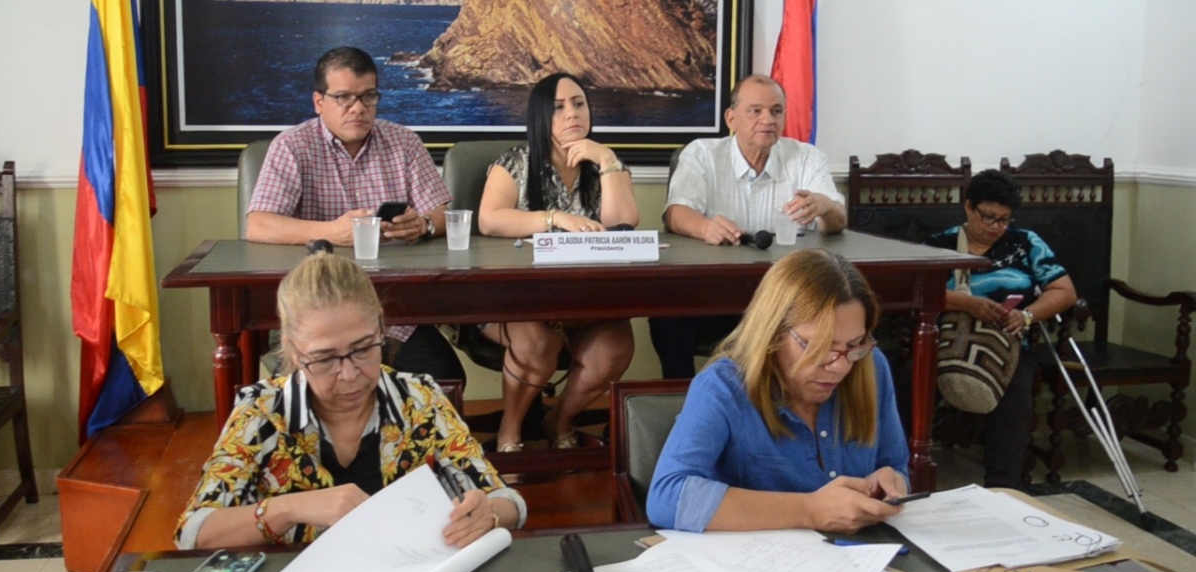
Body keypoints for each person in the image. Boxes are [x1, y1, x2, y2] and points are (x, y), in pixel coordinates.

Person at [174, 251, 525, 549]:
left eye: (363, 349)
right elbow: (193, 532)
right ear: (295, 353)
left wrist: (488, 513)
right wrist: (287, 509)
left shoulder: (419, 400)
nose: (349, 374)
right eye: (325, 359)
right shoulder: (262, 412)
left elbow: (509, 502)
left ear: (381, 330)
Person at [647, 249, 910, 533]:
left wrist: (891, 482)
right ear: (773, 333)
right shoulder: (724, 387)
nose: (839, 367)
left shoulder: (870, 368)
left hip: (860, 560)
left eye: (854, 345)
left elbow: (894, 465)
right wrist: (810, 510)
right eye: (817, 347)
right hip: (753, 569)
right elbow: (667, 498)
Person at [246, 46, 464, 383]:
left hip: (390, 308)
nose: (358, 108)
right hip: (313, 307)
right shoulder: (292, 146)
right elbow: (258, 224)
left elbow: (439, 215)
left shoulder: (403, 142)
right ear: (319, 101)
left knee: (445, 379)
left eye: (368, 97)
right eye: (344, 98)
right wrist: (330, 233)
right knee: (324, 387)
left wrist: (420, 226)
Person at [476, 73, 638, 452]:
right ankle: (510, 431)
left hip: (585, 300)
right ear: (540, 116)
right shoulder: (515, 162)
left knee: (614, 348)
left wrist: (608, 160)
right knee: (536, 343)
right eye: (559, 107)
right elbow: (490, 219)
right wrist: (553, 219)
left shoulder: (605, 164)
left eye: (579, 104)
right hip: (518, 299)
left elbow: (623, 224)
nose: (572, 114)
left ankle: (559, 420)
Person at [649, 74, 848, 380]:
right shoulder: (702, 154)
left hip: (788, 301)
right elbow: (675, 213)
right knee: (667, 316)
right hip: (716, 295)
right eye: (755, 111)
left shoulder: (806, 157)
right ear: (732, 118)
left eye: (776, 111)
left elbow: (838, 219)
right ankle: (683, 407)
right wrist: (704, 228)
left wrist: (824, 205)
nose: (767, 120)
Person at [914, 169, 1077, 490]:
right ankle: (906, 472)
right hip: (944, 342)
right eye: (988, 217)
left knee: (1015, 389)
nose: (995, 228)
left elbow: (1065, 291)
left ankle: (1004, 486)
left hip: (1008, 346)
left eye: (1003, 220)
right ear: (968, 207)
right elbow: (916, 293)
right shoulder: (940, 245)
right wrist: (966, 304)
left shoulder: (1025, 242)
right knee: (910, 380)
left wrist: (1027, 316)